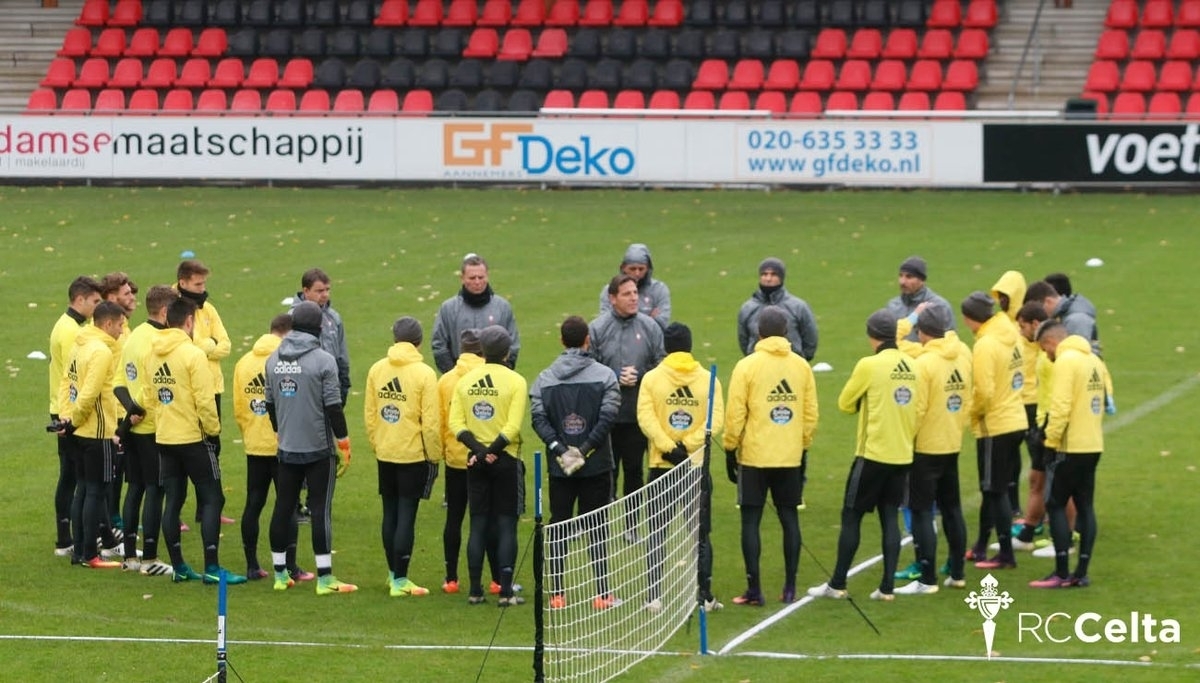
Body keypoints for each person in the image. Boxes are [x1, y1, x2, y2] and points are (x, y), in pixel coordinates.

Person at [808, 310, 922, 602]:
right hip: (902, 454)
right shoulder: (913, 365)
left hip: (872, 454)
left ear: (872, 335)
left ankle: (837, 583)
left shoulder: (869, 365)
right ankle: (887, 588)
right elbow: (918, 408)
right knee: (890, 516)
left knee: (852, 516)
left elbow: (845, 403)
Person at [145, 297, 244, 584]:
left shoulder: (152, 354)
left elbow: (150, 398)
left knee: (174, 500)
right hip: (193, 438)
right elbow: (205, 400)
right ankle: (212, 568)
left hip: (165, 437)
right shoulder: (193, 355)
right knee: (214, 498)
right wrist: (213, 431)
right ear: (189, 321)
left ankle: (179, 567)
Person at [723, 306, 816, 605]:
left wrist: (730, 447)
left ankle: (754, 590)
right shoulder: (801, 366)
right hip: (789, 456)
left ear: (758, 333)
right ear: (787, 332)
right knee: (790, 518)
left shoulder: (747, 366)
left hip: (754, 456)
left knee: (751, 521)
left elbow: (735, 414)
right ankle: (790, 587)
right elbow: (810, 414)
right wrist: (801, 444)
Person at [264, 301, 357, 595]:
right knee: (320, 511)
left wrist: (280, 431)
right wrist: (343, 442)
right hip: (318, 450)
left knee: (283, 508)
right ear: (317, 328)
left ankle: (280, 575)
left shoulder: (273, 359)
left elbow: (269, 404)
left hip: (287, 449)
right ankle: (325, 579)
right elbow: (333, 406)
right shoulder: (323, 360)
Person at [530, 316, 621, 609]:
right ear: (587, 340)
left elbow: (538, 419)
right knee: (597, 528)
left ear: (561, 340)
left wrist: (561, 450)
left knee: (559, 526)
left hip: (560, 468)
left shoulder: (545, 378)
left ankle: (557, 594)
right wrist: (584, 450)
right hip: (597, 466)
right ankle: (603, 594)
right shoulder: (606, 376)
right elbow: (608, 417)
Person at [637, 322, 724, 612]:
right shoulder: (708, 380)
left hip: (661, 466)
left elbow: (646, 419)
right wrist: (688, 446)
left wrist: (669, 448)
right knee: (700, 534)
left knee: (656, 532)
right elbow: (715, 420)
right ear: (690, 345)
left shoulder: (651, 379)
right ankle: (705, 595)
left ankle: (654, 596)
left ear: (665, 347)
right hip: (694, 467)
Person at [894, 305, 972, 595]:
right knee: (952, 508)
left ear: (922, 333)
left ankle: (927, 579)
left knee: (921, 511)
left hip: (925, 446)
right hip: (952, 441)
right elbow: (970, 395)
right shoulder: (962, 352)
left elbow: (917, 408)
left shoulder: (924, 363)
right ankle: (958, 573)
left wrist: (906, 437)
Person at [448, 325, 528, 606]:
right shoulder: (516, 381)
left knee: (478, 524)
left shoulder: (465, 381)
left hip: (475, 461)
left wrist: (479, 452)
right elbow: (512, 427)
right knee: (506, 525)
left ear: (482, 350)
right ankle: (505, 592)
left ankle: (474, 590)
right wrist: (492, 452)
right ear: (507, 352)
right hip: (506, 459)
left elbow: (456, 424)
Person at [364, 317, 443, 597]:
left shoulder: (377, 369)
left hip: (386, 451)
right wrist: (434, 455)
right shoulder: (424, 374)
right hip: (413, 454)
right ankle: (400, 579)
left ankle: (392, 574)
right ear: (419, 342)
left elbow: (370, 414)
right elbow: (430, 423)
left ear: (395, 338)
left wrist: (377, 443)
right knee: (406, 515)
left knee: (390, 512)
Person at [232, 313, 313, 584]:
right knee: (287, 506)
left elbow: (239, 407)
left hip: (254, 444)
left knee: (253, 503)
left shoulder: (244, 363)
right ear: (288, 334)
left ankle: (252, 565)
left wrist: (250, 433)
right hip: (284, 445)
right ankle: (290, 566)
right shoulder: (287, 363)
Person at [1028, 321, 1107, 588]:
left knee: (1055, 503)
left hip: (1068, 446)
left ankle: (1061, 572)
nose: (1047, 354)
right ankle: (1081, 572)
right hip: (1092, 443)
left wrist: (1049, 441)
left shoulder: (1065, 361)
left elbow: (1060, 407)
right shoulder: (1093, 360)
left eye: (1045, 349)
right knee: (1085, 505)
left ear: (1051, 342)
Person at [588, 274, 665, 542]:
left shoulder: (650, 327)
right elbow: (589, 365)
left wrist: (641, 374)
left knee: (634, 472)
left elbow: (661, 363)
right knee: (606, 472)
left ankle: (631, 526)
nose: (634, 298)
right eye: (627, 294)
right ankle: (601, 526)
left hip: (636, 415)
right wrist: (614, 376)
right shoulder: (597, 329)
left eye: (635, 293)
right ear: (612, 298)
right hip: (606, 416)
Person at [57, 300, 127, 569]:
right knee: (96, 492)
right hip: (96, 432)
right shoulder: (101, 352)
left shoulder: (79, 343)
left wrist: (66, 417)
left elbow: (67, 383)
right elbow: (89, 393)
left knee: (83, 489)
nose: (121, 330)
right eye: (119, 325)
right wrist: (74, 421)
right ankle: (89, 554)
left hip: (76, 430)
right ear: (107, 324)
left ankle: (79, 552)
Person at [960, 291, 1027, 571]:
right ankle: (980, 545)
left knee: (994, 490)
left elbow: (984, 391)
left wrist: (972, 413)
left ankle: (1005, 555)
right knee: (992, 489)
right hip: (1016, 418)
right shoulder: (1011, 334)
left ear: (969, 318)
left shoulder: (985, 344)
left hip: (995, 426)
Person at [114, 285, 176, 574]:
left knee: (135, 488)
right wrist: (136, 412)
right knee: (155, 489)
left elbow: (118, 384)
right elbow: (153, 389)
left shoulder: (134, 336)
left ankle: (129, 557)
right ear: (164, 311)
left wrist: (130, 414)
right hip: (154, 428)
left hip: (135, 429)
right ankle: (150, 559)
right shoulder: (159, 342)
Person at [176, 259, 234, 526]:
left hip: (212, 387)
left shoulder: (208, 308)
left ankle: (208, 508)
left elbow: (226, 345)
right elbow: (181, 345)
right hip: (185, 389)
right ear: (183, 282)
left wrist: (203, 346)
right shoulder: (174, 308)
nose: (202, 289)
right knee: (181, 452)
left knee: (213, 448)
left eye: (204, 283)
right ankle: (174, 514)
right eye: (198, 284)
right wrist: (208, 345)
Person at [47, 275, 102, 557]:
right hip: (68, 411)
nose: (97, 307)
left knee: (71, 476)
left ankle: (68, 537)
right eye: (94, 301)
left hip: (62, 407)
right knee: (75, 477)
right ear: (79, 299)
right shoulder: (71, 332)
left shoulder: (65, 324)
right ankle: (71, 539)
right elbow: (75, 375)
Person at [1012, 302, 1061, 553]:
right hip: (1043, 421)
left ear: (1035, 324)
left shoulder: (1052, 356)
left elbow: (1058, 396)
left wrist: (1050, 427)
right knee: (1038, 477)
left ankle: (1064, 538)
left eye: (1023, 327)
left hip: (1052, 423)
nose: (1021, 333)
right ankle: (1030, 531)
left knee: (1057, 480)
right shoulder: (1044, 353)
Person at [991, 270, 1037, 519]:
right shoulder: (1004, 324)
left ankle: (1033, 507)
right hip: (1014, 400)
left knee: (1033, 457)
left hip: (1028, 400)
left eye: (1005, 295)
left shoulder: (1025, 324)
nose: (1001, 300)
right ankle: (1014, 504)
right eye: (999, 295)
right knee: (1011, 456)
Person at [432, 253, 520, 373]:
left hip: (494, 376)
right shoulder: (448, 309)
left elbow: (512, 344)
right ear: (462, 278)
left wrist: (501, 372)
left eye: (481, 277)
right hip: (460, 376)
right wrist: (452, 373)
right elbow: (439, 346)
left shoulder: (502, 307)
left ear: (487, 276)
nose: (477, 282)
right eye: (472, 278)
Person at [99, 271, 138, 534]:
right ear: (112, 298)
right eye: (126, 293)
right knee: (112, 471)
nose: (132, 297)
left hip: (125, 407)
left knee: (121, 469)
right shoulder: (112, 334)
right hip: (115, 411)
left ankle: (114, 518)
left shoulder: (124, 327)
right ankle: (111, 521)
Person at [736, 257, 819, 361]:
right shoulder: (748, 308)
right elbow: (743, 340)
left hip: (790, 365)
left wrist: (800, 360)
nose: (768, 278)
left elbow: (810, 338)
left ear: (781, 277)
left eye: (773, 274)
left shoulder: (798, 307)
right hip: (759, 365)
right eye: (764, 274)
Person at [292, 268, 350, 406]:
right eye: (319, 291)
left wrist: (344, 382)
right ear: (306, 291)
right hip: (306, 386)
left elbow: (341, 352)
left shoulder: (334, 317)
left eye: (327, 290)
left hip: (331, 385)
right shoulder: (293, 318)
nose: (325, 295)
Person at [597, 243, 671, 328]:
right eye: (632, 269)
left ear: (648, 269)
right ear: (623, 268)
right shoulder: (610, 290)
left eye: (641, 269)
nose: (637, 273)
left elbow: (661, 324)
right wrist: (649, 319)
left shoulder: (659, 289)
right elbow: (605, 324)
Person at [884, 256, 955, 342]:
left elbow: (950, 342)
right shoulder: (893, 305)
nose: (902, 282)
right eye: (901, 275)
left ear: (922, 280)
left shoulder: (939, 306)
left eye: (909, 277)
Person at [1025, 279, 1101, 357]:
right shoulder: (1066, 314)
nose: (1040, 314)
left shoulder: (1075, 320)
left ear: (1048, 301)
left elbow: (1077, 357)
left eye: (1040, 309)